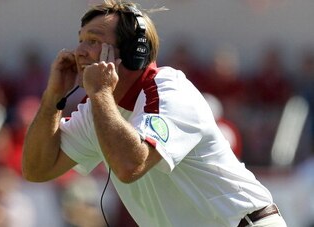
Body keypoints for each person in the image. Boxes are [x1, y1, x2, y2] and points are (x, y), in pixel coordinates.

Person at [22, 1, 287, 226]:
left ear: (133, 52)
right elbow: (36, 169)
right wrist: (52, 97)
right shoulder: (98, 109)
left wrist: (101, 94)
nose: (78, 51)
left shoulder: (170, 91)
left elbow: (130, 165)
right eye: (80, 40)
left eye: (93, 41)